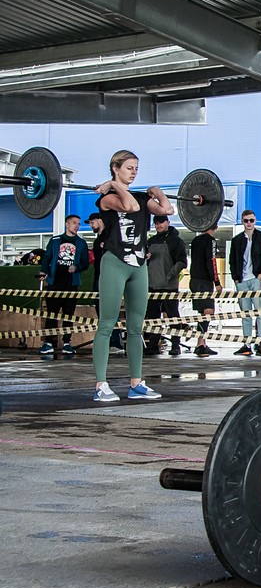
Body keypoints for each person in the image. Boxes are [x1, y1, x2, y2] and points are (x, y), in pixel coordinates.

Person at [91, 149, 174, 402]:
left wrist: (158, 192)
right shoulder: (106, 198)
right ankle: (100, 385)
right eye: (129, 167)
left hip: (138, 266)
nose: (134, 172)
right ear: (115, 168)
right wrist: (113, 185)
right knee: (106, 324)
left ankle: (136, 383)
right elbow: (130, 206)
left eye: (136, 167)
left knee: (136, 328)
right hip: (115, 262)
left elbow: (167, 211)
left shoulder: (138, 194)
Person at [38, 214, 90, 359]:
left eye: (78, 224)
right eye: (74, 223)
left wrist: (77, 267)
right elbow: (47, 258)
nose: (77, 226)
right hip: (55, 283)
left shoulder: (81, 243)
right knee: (51, 314)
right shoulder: (55, 241)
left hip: (71, 284)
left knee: (68, 315)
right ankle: (48, 342)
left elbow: (85, 263)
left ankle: (67, 342)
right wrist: (44, 271)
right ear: (67, 224)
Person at [229, 209, 261, 356]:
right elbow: (232, 260)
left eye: (251, 220)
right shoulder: (236, 240)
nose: (249, 223)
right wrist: (235, 278)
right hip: (241, 280)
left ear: (255, 221)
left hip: (256, 279)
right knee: (245, 314)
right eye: (246, 220)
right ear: (242, 221)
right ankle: (247, 344)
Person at [144, 215, 188, 357]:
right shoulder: (150, 241)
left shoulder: (176, 241)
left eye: (161, 222)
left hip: (169, 286)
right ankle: (152, 345)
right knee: (152, 317)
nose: (159, 226)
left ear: (168, 222)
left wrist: (170, 276)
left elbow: (182, 262)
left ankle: (176, 345)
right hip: (152, 285)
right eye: (156, 223)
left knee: (173, 316)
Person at [88, 212, 123, 355]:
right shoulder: (97, 241)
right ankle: (107, 342)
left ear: (100, 221)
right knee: (101, 312)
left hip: (111, 278)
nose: (91, 225)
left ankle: (116, 342)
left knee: (111, 311)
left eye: (92, 222)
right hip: (99, 278)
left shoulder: (110, 237)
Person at [188, 223, 219, 357]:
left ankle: (202, 343)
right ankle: (201, 343)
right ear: (215, 227)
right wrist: (217, 281)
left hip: (194, 279)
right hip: (204, 281)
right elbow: (211, 261)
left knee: (202, 312)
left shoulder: (195, 240)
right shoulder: (210, 240)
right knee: (208, 311)